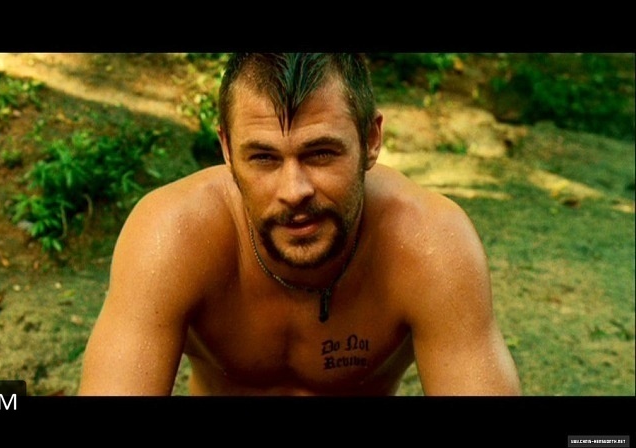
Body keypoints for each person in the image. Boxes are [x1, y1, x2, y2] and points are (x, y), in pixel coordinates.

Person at [78, 53, 521, 396]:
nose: (294, 190)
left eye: (321, 153)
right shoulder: (172, 235)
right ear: (227, 150)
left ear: (370, 140)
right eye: (264, 158)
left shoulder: (430, 243)